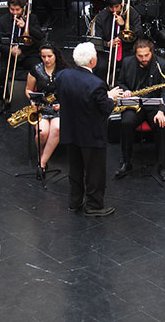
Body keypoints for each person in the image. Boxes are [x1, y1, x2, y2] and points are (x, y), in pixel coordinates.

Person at [55, 42, 122, 216]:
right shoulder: (97, 84)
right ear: (93, 61)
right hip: (91, 134)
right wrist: (110, 96)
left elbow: (63, 95)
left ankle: (74, 201)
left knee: (75, 169)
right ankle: (94, 205)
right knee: (94, 172)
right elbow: (106, 108)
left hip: (71, 131)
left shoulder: (62, 75)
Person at [114, 39, 165, 182]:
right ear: (136, 54)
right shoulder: (128, 62)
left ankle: (162, 165)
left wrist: (161, 111)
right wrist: (126, 91)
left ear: (152, 52)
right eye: (140, 56)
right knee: (126, 122)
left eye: (146, 55)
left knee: (161, 124)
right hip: (134, 104)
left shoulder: (162, 65)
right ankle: (126, 162)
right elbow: (120, 82)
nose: (144, 59)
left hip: (154, 106)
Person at [0, 0, 44, 111]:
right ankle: (4, 99)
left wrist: (27, 28)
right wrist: (10, 50)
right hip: (10, 55)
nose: (15, 13)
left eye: (18, 10)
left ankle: (37, 99)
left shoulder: (31, 18)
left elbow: (40, 37)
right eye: (12, 9)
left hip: (28, 54)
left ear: (23, 8)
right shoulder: (3, 20)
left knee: (39, 69)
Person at [26, 43, 70, 179]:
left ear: (55, 55)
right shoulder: (36, 70)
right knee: (42, 133)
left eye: (49, 56)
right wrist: (33, 102)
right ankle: (42, 156)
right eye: (43, 56)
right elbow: (28, 89)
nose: (46, 59)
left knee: (56, 129)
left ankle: (42, 163)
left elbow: (71, 91)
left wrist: (63, 104)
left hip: (59, 106)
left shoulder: (65, 70)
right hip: (42, 107)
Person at [93, 0, 142, 79]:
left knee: (132, 67)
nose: (114, 10)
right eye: (111, 7)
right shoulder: (101, 17)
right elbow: (97, 40)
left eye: (117, 6)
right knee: (100, 67)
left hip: (127, 49)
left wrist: (124, 25)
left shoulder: (131, 13)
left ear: (121, 4)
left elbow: (139, 33)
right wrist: (107, 44)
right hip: (108, 51)